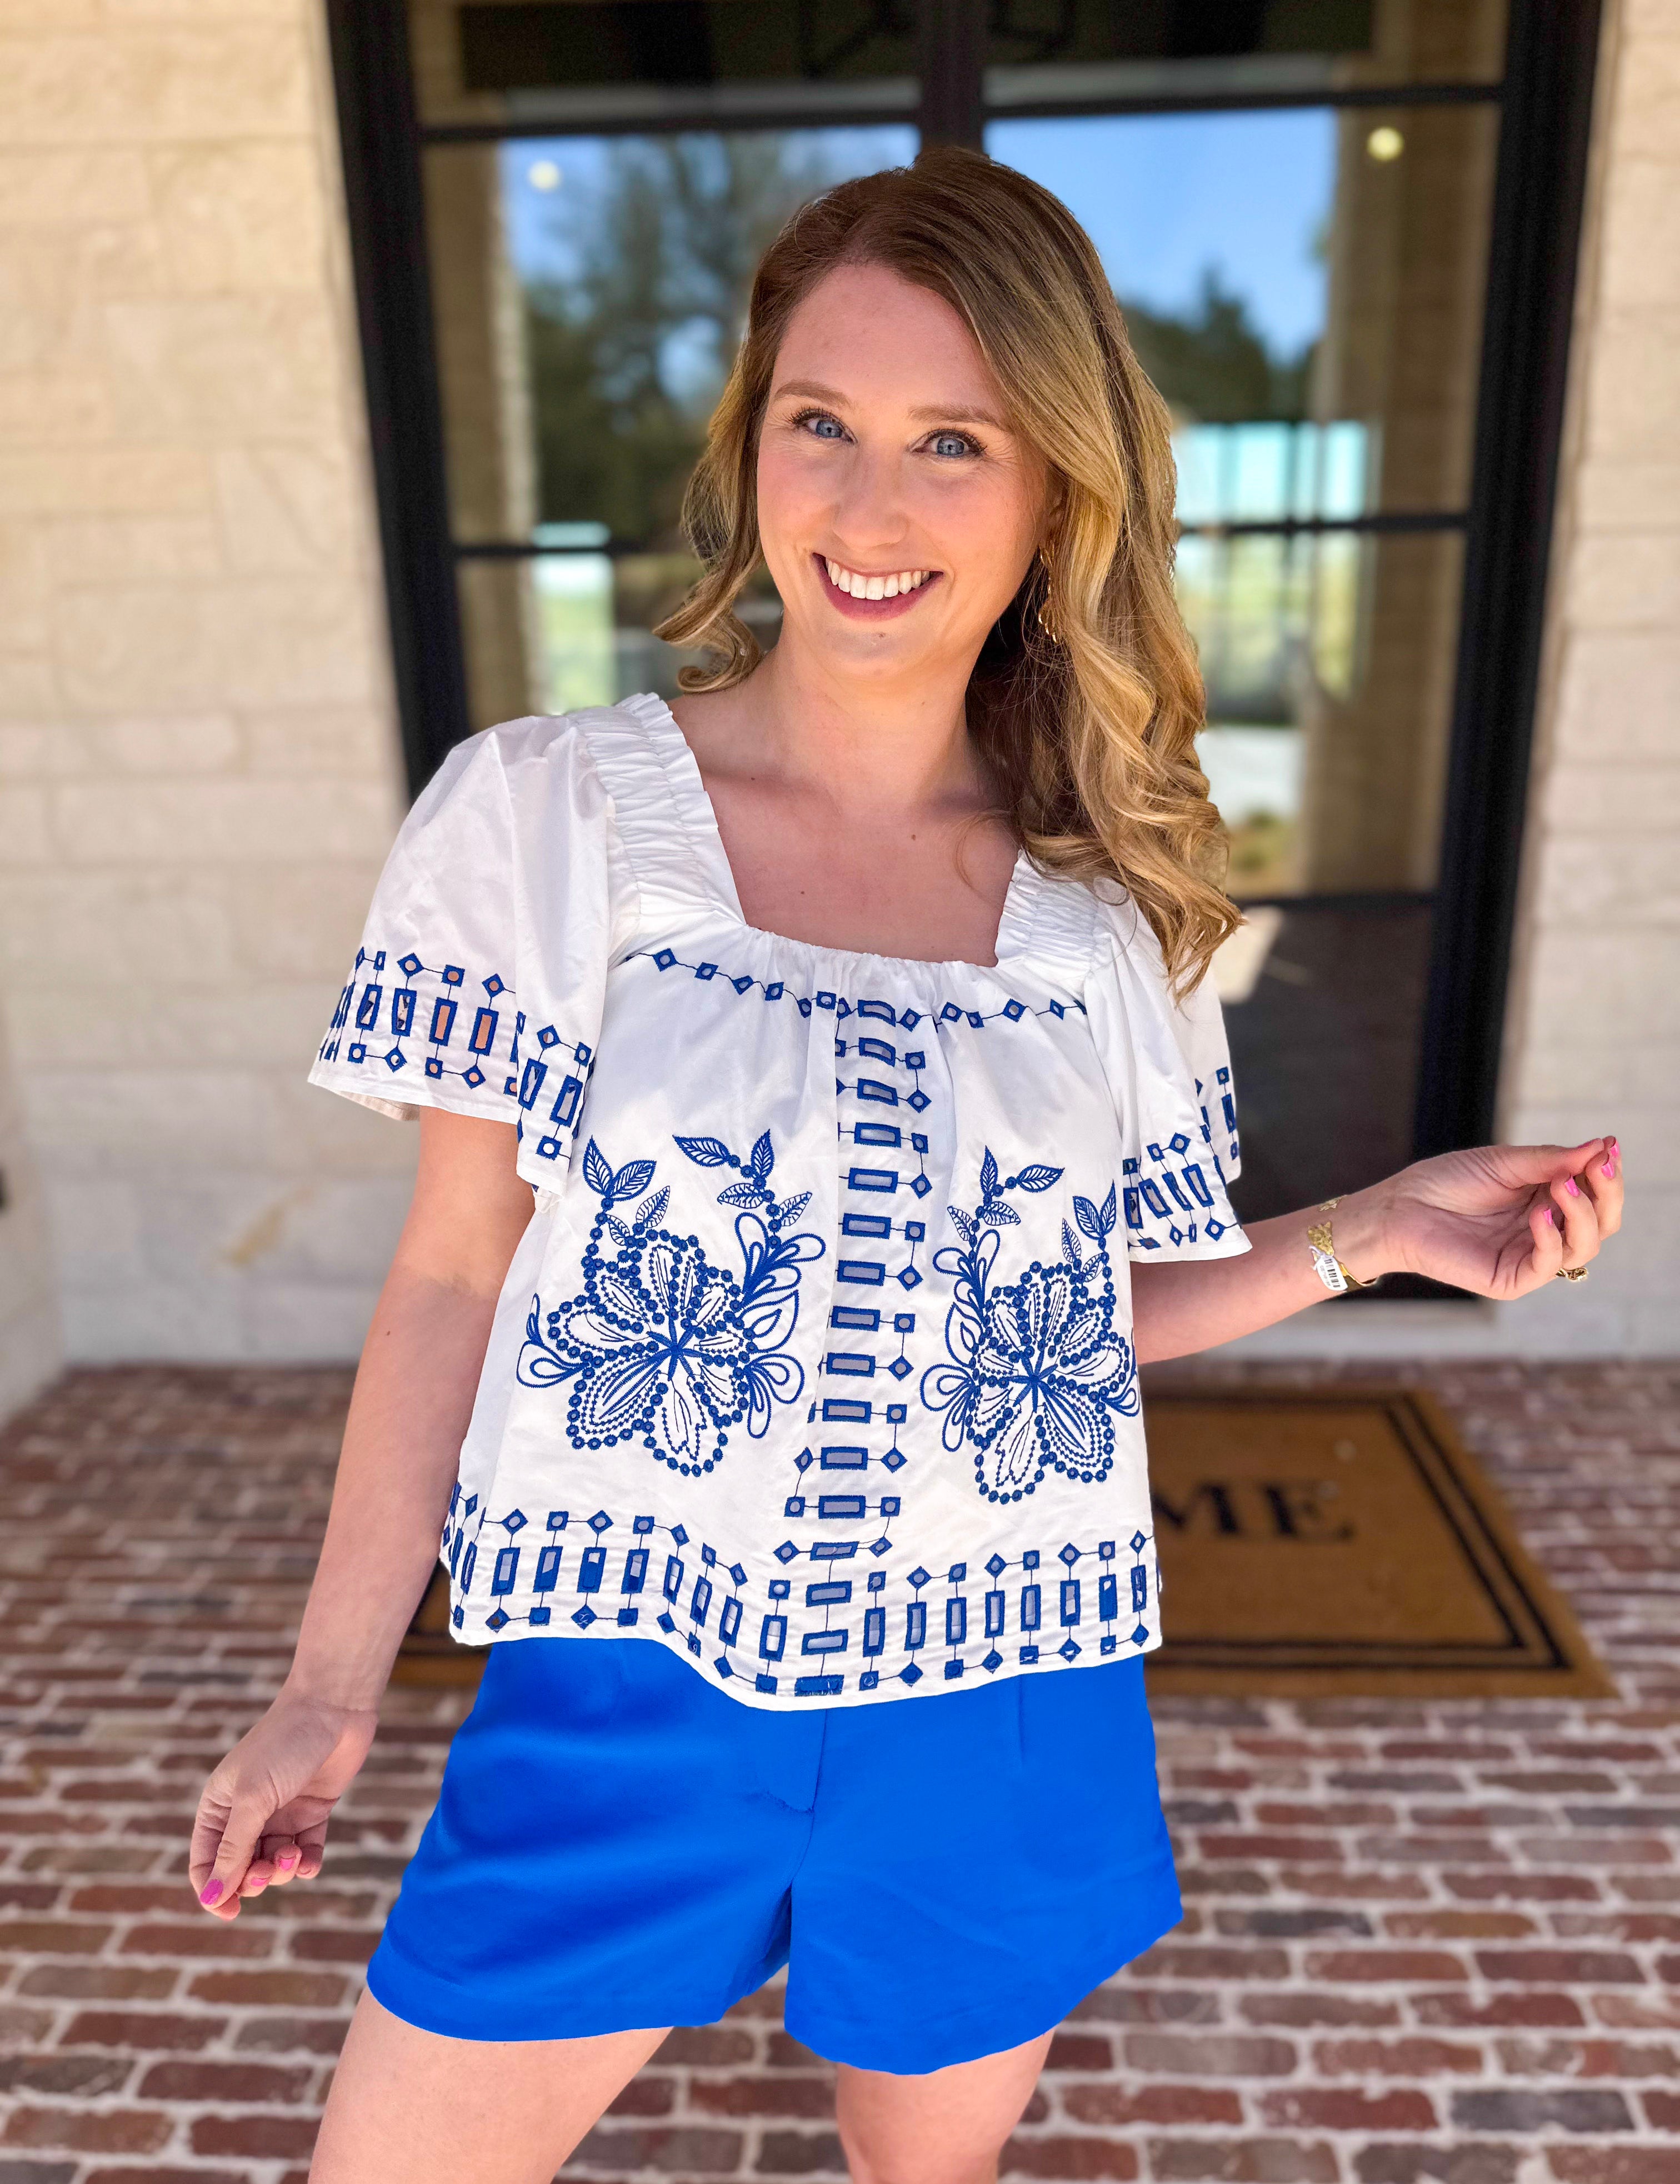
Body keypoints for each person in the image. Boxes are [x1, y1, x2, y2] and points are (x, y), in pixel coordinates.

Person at [189, 148, 1622, 2184]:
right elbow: (453, 1272)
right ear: (752, 441)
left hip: (1007, 1704)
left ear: (1057, 490)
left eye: (954, 442)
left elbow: (1058, 1330)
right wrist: (330, 1688)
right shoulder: (549, 819)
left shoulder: (1107, 917)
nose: (871, 509)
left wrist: (1370, 1233)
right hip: (630, 1686)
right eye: (822, 425)